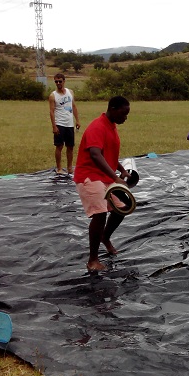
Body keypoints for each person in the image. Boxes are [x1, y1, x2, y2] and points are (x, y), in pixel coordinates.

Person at [73, 96, 131, 272]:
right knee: (100, 214)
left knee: (123, 208)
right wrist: (115, 177)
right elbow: (95, 154)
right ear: (113, 109)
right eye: (123, 114)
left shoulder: (111, 126)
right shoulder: (97, 127)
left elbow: (108, 153)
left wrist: (122, 169)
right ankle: (93, 260)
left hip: (105, 177)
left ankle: (105, 237)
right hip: (89, 176)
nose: (125, 118)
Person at [49, 73, 80, 174]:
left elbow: (73, 106)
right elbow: (51, 111)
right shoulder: (53, 96)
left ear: (64, 81)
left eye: (60, 81)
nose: (58, 83)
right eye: (56, 81)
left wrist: (77, 120)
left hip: (69, 124)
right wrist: (54, 126)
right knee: (59, 146)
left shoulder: (70, 92)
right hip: (59, 123)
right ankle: (59, 168)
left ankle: (70, 168)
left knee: (70, 146)